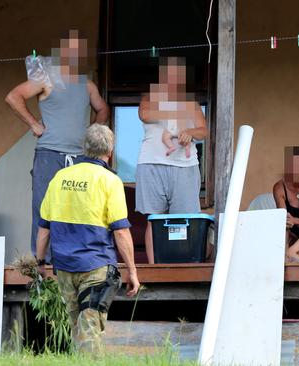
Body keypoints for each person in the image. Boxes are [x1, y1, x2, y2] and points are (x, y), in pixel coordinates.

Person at [5, 30, 109, 262]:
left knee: (80, 209)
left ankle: (76, 259)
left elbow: (103, 109)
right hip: (49, 155)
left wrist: (92, 132)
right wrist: (33, 123)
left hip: (81, 157)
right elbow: (13, 97)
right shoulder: (45, 78)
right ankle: (42, 264)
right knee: (45, 208)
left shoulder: (87, 84)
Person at [35, 124, 140, 353]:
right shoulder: (110, 181)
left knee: (77, 329)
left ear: (84, 148)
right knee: (90, 330)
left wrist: (40, 264)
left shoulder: (60, 177)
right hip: (96, 265)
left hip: (64, 267)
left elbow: (44, 228)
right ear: (110, 152)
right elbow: (120, 231)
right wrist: (132, 271)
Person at [137, 57, 207, 263]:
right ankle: (153, 268)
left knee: (183, 221)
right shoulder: (151, 96)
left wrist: (189, 131)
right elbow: (144, 114)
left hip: (185, 166)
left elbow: (203, 131)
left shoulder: (191, 103)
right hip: (152, 163)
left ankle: (181, 265)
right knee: (154, 219)